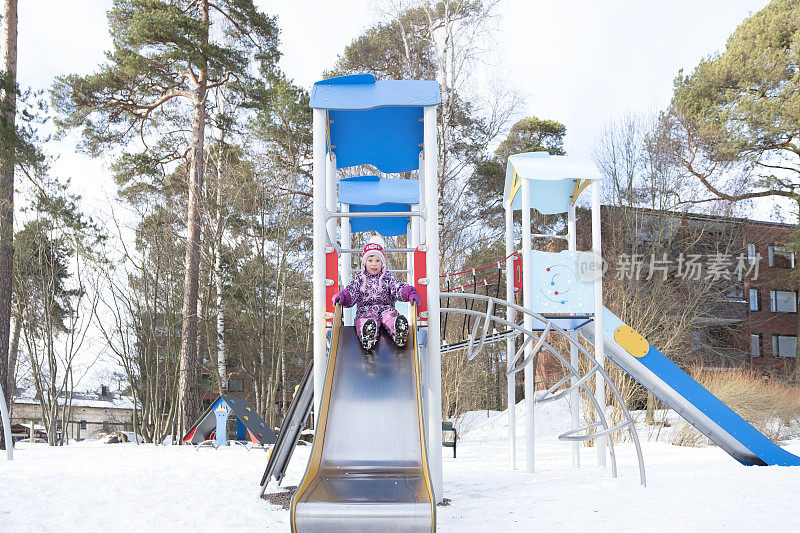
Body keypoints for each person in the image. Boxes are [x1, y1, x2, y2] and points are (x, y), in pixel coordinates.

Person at [332, 235, 422, 350]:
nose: (374, 264)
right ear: (364, 263)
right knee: (365, 321)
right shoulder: (359, 279)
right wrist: (344, 296)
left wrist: (408, 292)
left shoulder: (387, 277)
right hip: (365, 311)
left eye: (377, 261)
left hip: (386, 309)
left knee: (391, 317)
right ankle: (368, 335)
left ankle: (399, 331)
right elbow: (352, 291)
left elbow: (397, 287)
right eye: (370, 260)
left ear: (382, 263)